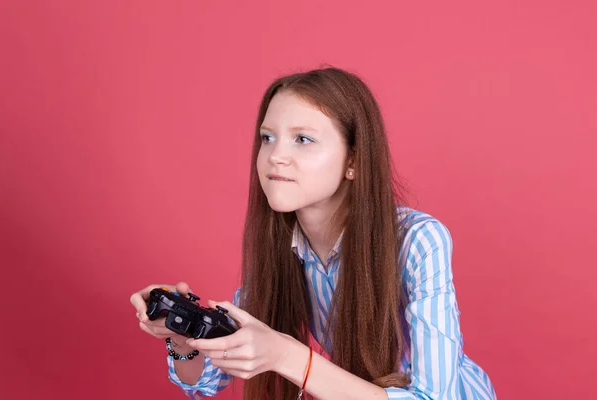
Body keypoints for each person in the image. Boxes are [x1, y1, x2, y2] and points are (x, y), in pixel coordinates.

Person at [130, 67, 496, 399]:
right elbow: (206, 382)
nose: (275, 156)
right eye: (268, 138)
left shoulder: (418, 239)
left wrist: (287, 354)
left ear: (353, 161)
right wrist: (183, 335)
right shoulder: (284, 250)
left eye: (302, 139)